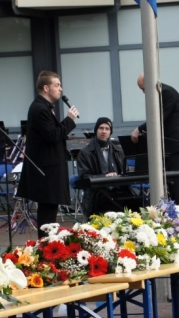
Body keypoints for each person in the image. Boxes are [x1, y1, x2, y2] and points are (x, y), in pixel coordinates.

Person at [16, 71, 79, 237]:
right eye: (57, 85)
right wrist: (69, 120)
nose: (61, 89)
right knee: (47, 216)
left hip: (49, 170)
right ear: (46, 88)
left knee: (49, 214)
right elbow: (52, 135)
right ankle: (45, 246)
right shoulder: (40, 108)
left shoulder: (43, 107)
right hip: (46, 172)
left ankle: (47, 245)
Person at [130, 73, 179, 205]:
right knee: (171, 181)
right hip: (169, 146)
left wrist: (139, 129)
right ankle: (174, 207)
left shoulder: (167, 93)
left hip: (177, 144)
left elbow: (159, 117)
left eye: (144, 89)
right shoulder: (161, 93)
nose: (144, 92)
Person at [76, 117, 137, 217]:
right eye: (101, 128)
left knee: (137, 202)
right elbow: (84, 178)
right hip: (97, 195)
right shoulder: (85, 153)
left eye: (107, 129)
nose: (104, 131)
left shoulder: (118, 151)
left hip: (119, 191)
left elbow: (125, 172)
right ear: (96, 130)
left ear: (110, 132)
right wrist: (105, 176)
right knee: (110, 203)